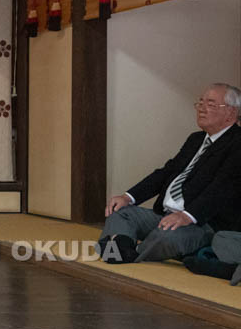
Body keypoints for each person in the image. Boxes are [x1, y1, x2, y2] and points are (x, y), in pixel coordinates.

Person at [98, 83, 241, 264]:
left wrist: (186, 216)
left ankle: (125, 252)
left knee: (167, 236)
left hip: (202, 223)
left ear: (231, 113)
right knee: (120, 212)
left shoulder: (237, 143)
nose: (202, 109)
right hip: (166, 215)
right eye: (200, 103)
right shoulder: (195, 139)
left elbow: (222, 189)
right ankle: (120, 249)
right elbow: (166, 173)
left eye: (211, 105)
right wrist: (128, 196)